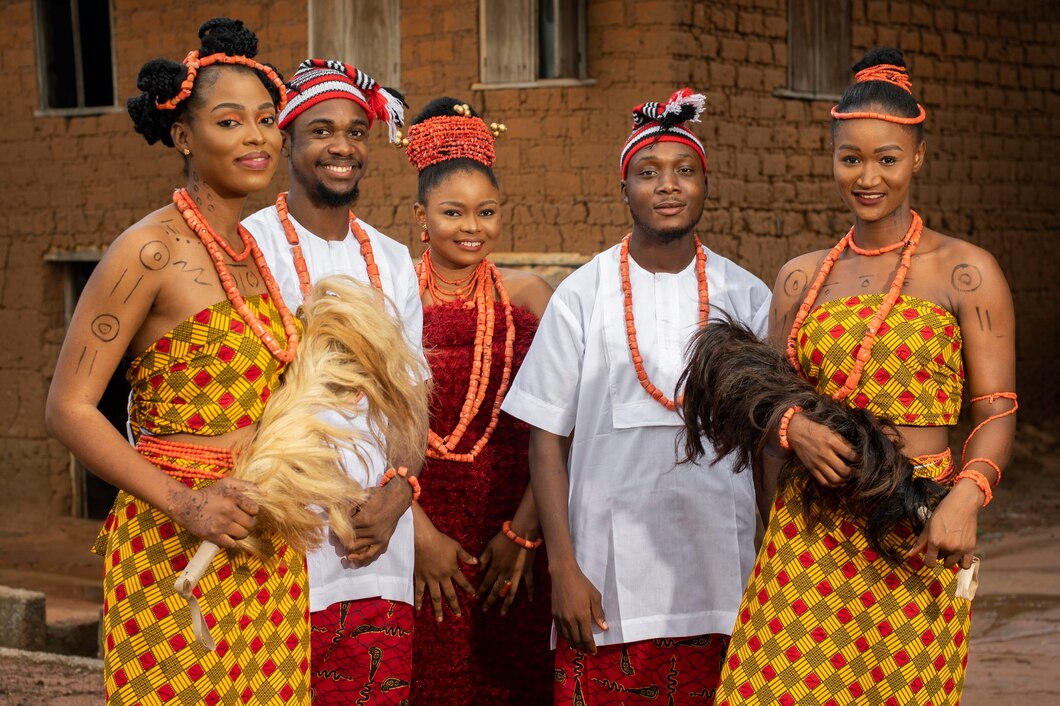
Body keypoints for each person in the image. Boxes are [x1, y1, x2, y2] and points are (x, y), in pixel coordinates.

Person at [707, 48, 1017, 705]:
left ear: (918, 158)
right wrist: (791, 429)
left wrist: (966, 499)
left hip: (918, 527)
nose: (868, 177)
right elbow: (768, 403)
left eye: (887, 159)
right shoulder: (799, 278)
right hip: (809, 529)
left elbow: (998, 411)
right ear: (832, 159)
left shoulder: (966, 272)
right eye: (851, 159)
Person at [45, 19, 312, 704]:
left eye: (266, 120)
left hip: (262, 539)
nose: (256, 137)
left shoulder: (253, 254)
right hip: (172, 543)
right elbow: (69, 408)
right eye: (229, 121)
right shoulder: (149, 251)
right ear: (185, 136)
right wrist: (188, 505)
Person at [501, 89, 772, 705]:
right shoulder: (582, 294)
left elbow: (768, 441)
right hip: (605, 582)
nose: (668, 186)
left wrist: (774, 554)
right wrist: (562, 568)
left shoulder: (747, 295)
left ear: (705, 184)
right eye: (648, 173)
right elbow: (547, 440)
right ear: (624, 188)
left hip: (722, 577)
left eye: (684, 171)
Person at [242, 59, 428, 705]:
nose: (342, 146)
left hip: (375, 546)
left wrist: (399, 491)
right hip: (274, 537)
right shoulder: (247, 246)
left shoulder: (392, 259)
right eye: (321, 130)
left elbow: (411, 397)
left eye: (355, 131)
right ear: (286, 140)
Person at [403, 97, 555, 703]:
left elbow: (558, 426)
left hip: (512, 532)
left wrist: (522, 536)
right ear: (421, 215)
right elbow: (366, 427)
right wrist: (418, 537)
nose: (473, 227)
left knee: (510, 679)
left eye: (486, 212)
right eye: (453, 212)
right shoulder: (392, 297)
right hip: (413, 532)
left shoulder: (529, 296)